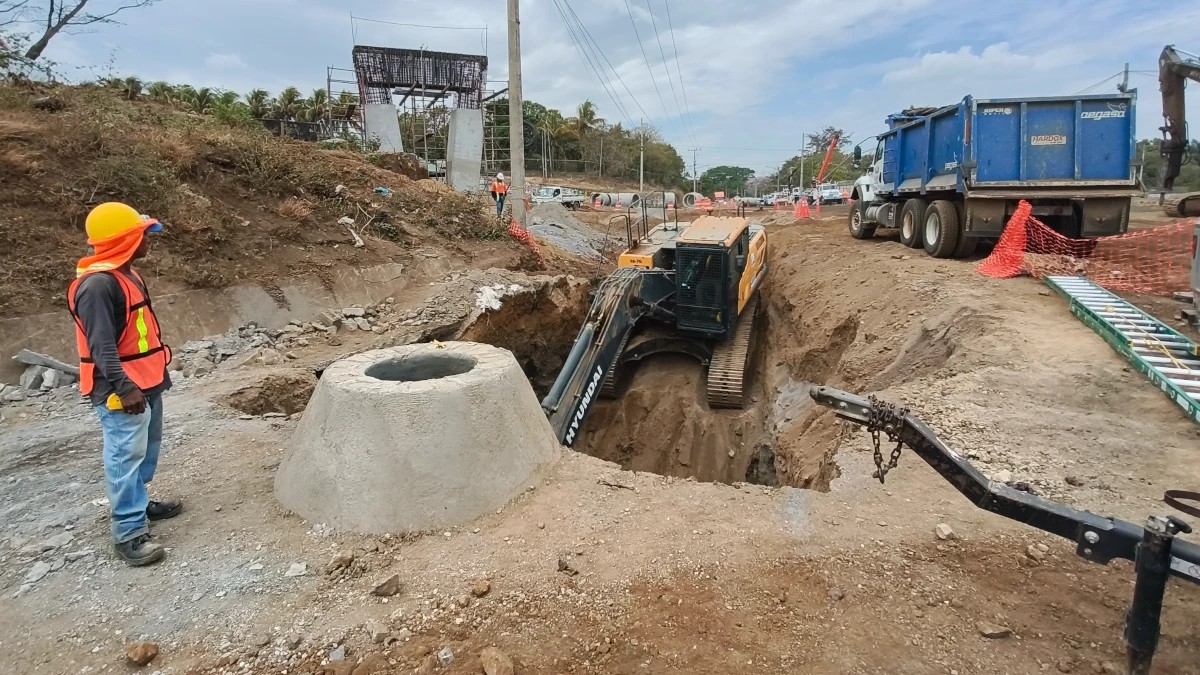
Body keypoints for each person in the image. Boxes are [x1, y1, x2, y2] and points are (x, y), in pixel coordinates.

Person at [67, 202, 180, 567]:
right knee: (124, 455)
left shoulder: (126, 275)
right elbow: (101, 346)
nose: (148, 240)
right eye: (142, 234)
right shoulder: (98, 286)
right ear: (126, 239)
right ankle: (128, 532)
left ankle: (139, 503)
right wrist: (123, 387)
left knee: (146, 449)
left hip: (147, 379)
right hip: (122, 388)